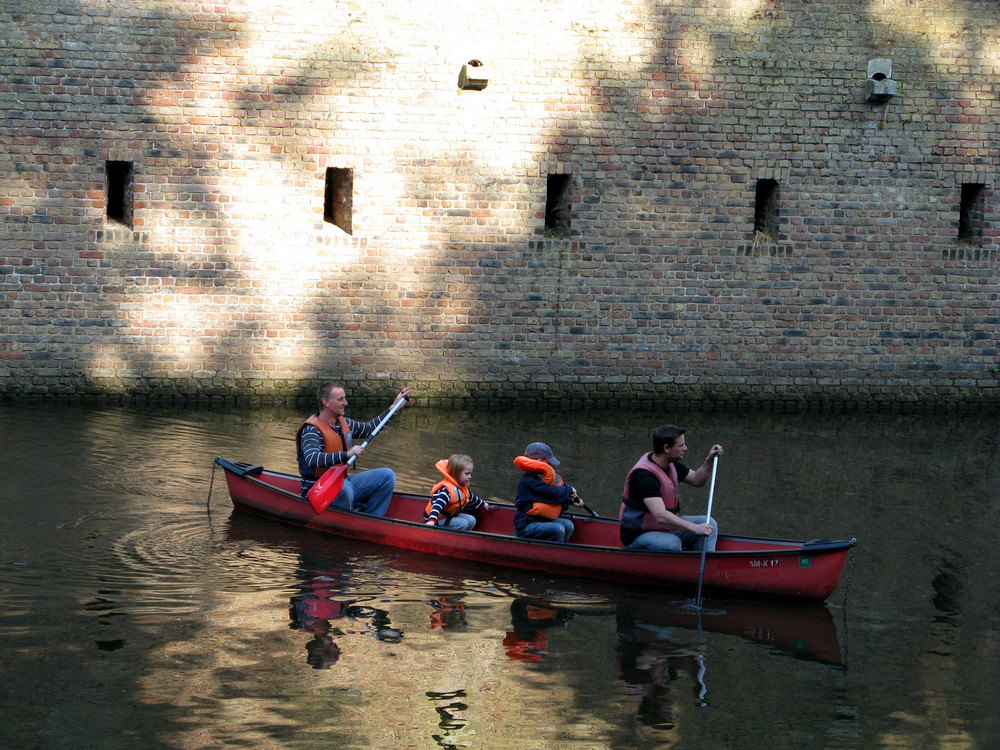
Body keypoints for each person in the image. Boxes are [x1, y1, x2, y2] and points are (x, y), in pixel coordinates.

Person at [296, 383, 412, 516]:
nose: (345, 403)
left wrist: (393, 408)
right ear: (326, 402)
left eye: (344, 398)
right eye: (340, 399)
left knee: (387, 476)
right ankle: (348, 521)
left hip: (341, 482)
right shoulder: (311, 430)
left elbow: (369, 429)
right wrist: (347, 454)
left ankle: (372, 521)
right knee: (345, 490)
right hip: (317, 489)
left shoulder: (344, 423)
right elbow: (312, 459)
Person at [620, 425, 723, 552]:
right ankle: (676, 568)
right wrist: (694, 528)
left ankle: (704, 566)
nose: (685, 448)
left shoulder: (671, 464)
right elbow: (661, 516)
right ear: (667, 448)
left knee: (709, 523)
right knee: (672, 544)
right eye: (681, 446)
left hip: (664, 528)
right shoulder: (644, 476)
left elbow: (697, 480)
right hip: (639, 535)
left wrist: (710, 459)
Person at [512, 442, 583, 543]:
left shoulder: (539, 480)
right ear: (539, 461)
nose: (550, 466)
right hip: (527, 525)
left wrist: (571, 501)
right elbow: (552, 493)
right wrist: (570, 489)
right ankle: (554, 555)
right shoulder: (527, 481)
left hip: (541, 520)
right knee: (558, 529)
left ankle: (562, 551)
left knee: (568, 525)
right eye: (548, 462)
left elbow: (549, 498)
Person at [425, 454, 490, 530]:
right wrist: (432, 520)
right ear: (456, 474)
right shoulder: (446, 490)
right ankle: (451, 539)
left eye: (470, 473)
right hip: (435, 519)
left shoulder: (462, 487)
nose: (470, 476)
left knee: (472, 520)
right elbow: (437, 506)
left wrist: (482, 504)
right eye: (467, 474)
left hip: (449, 516)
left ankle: (464, 537)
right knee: (462, 523)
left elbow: (472, 497)